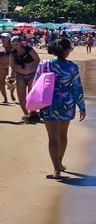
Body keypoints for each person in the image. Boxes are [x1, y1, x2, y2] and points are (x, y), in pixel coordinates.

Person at [38, 38, 86, 179]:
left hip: (48, 102)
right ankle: (59, 163)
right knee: (63, 135)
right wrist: (82, 106)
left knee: (52, 138)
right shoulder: (72, 66)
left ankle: (56, 169)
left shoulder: (44, 64)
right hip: (67, 102)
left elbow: (37, 84)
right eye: (69, 49)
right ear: (65, 50)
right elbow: (77, 87)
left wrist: (33, 104)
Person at [10, 35, 40, 120]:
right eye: (13, 44)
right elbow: (11, 65)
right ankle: (26, 114)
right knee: (21, 95)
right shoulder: (13, 52)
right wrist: (11, 75)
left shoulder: (29, 49)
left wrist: (37, 73)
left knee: (32, 95)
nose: (14, 46)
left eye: (16, 44)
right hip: (20, 75)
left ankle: (33, 112)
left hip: (32, 74)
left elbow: (37, 60)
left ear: (20, 43)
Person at [0, 33, 11, 104]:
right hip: (1, 67)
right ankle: (5, 98)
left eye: (4, 37)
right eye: (1, 37)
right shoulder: (0, 47)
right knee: (1, 83)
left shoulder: (13, 47)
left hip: (11, 67)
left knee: (12, 83)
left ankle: (12, 94)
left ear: (8, 38)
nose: (2, 39)